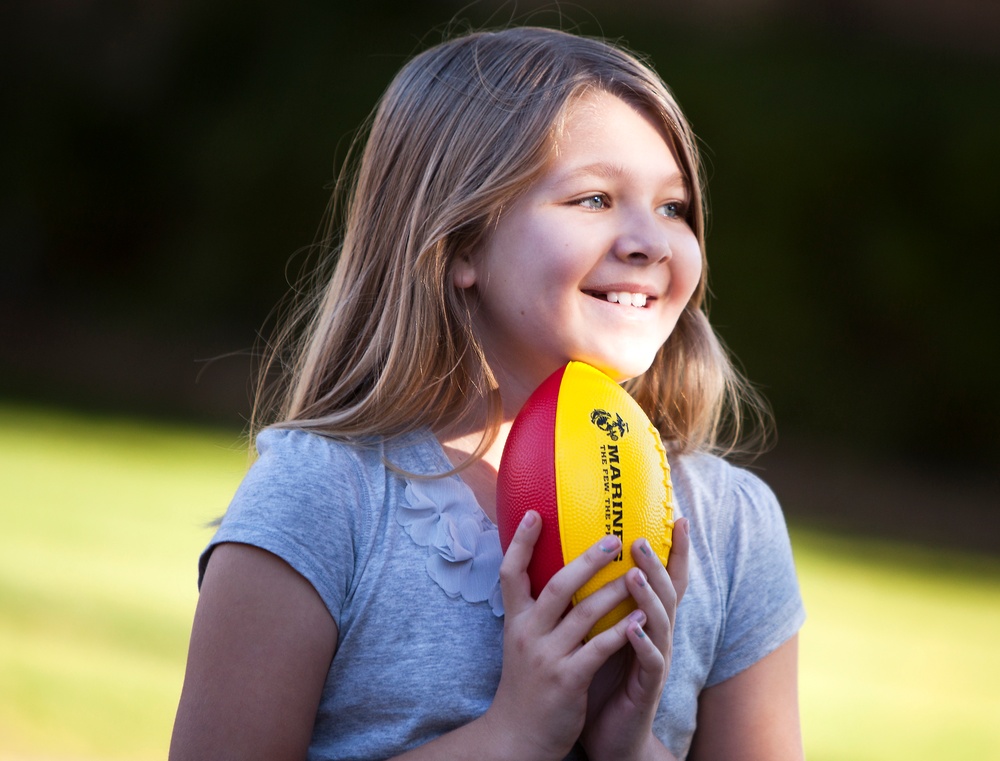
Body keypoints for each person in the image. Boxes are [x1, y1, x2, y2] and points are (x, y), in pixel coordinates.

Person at [169, 25, 805, 761]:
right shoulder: (325, 495)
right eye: (595, 199)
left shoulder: (730, 526)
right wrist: (513, 733)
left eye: (673, 207)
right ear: (463, 243)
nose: (651, 242)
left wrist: (627, 744)